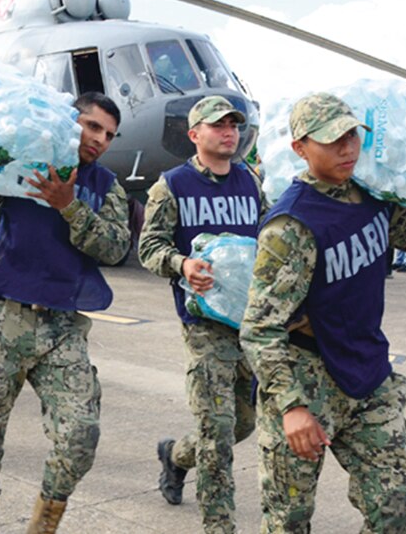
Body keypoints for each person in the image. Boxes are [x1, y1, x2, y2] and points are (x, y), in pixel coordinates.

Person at [239, 93, 406, 532]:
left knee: (393, 504)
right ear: (300, 149)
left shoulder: (371, 195)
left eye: (351, 136)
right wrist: (290, 407)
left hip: (366, 372)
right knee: (287, 520)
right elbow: (259, 328)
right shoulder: (291, 225)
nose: (347, 148)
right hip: (304, 377)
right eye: (331, 140)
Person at [0, 92, 130, 533]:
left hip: (62, 326)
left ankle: (42, 526)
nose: (100, 140)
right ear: (68, 122)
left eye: (109, 134)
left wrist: (68, 204)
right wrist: (1, 151)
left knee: (80, 433)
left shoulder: (105, 185)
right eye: (92, 127)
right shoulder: (28, 159)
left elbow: (114, 247)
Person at [138, 95, 263, 533]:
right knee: (217, 437)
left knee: (242, 425)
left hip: (249, 325)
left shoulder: (250, 182)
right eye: (218, 125)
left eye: (234, 124)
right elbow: (149, 247)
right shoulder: (171, 185)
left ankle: (174, 455)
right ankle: (218, 526)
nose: (229, 131)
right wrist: (182, 265)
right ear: (195, 135)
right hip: (205, 326)